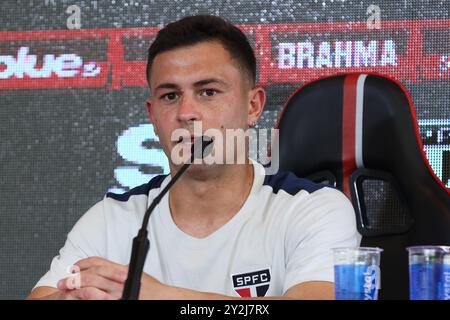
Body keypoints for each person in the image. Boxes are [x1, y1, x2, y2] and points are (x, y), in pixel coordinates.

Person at [27, 15, 358, 300]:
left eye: (208, 92)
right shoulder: (112, 219)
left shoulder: (312, 209)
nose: (187, 112)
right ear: (153, 115)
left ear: (253, 106)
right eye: (170, 96)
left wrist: (159, 295)